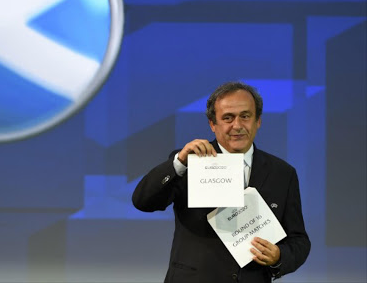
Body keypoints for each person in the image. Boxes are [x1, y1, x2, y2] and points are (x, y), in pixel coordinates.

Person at [132, 82, 310, 283]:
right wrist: (179, 163)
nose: (237, 125)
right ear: (212, 124)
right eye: (228, 118)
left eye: (245, 116)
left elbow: (299, 241)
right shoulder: (189, 162)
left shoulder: (282, 173)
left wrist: (279, 256)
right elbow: (143, 202)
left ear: (258, 121)